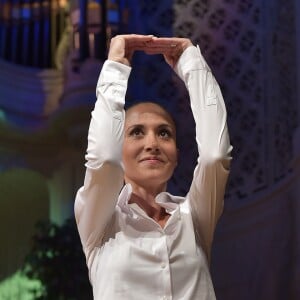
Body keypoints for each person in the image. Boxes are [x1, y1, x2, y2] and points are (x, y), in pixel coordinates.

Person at [75, 34, 232, 300]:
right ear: (119, 146)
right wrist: (116, 65)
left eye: (164, 133)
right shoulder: (101, 220)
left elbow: (215, 156)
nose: (152, 143)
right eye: (137, 132)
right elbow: (104, 160)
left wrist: (191, 62)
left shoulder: (193, 216)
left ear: (177, 154)